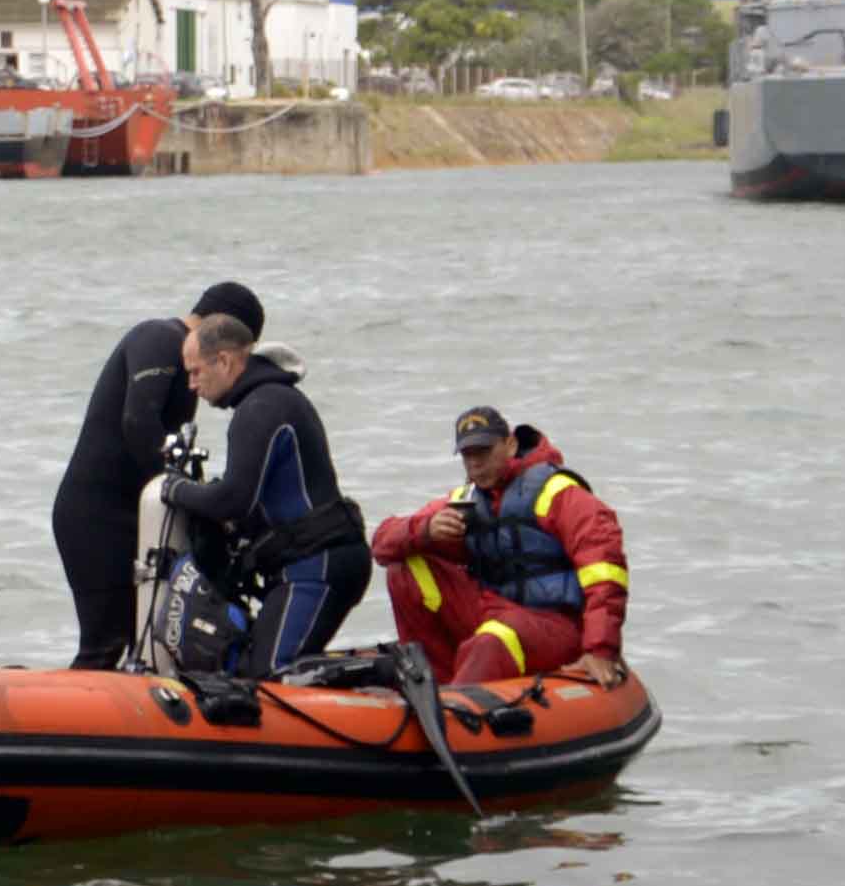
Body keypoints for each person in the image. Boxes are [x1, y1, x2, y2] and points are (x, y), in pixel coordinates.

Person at [52, 281, 265, 668]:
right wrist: (178, 490)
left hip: (138, 515)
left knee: (144, 640)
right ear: (223, 327)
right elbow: (138, 421)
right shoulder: (160, 336)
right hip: (94, 515)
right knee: (106, 642)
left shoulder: (185, 360)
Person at [160, 311, 367, 675]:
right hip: (309, 561)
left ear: (224, 361)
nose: (191, 385)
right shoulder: (268, 399)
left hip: (318, 563)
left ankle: (385, 674)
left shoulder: (261, 407)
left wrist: (174, 488)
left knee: (268, 674)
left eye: (195, 372)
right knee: (256, 664)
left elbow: (233, 502)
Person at [368, 403, 631, 686]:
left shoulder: (556, 493)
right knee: (406, 568)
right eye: (468, 455)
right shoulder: (465, 501)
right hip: (495, 612)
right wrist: (426, 530)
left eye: (484, 451)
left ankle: (455, 704)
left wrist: (601, 649)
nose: (475, 464)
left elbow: (605, 567)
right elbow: (382, 542)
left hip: (555, 624)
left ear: (510, 444)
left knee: (495, 639)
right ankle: (434, 683)